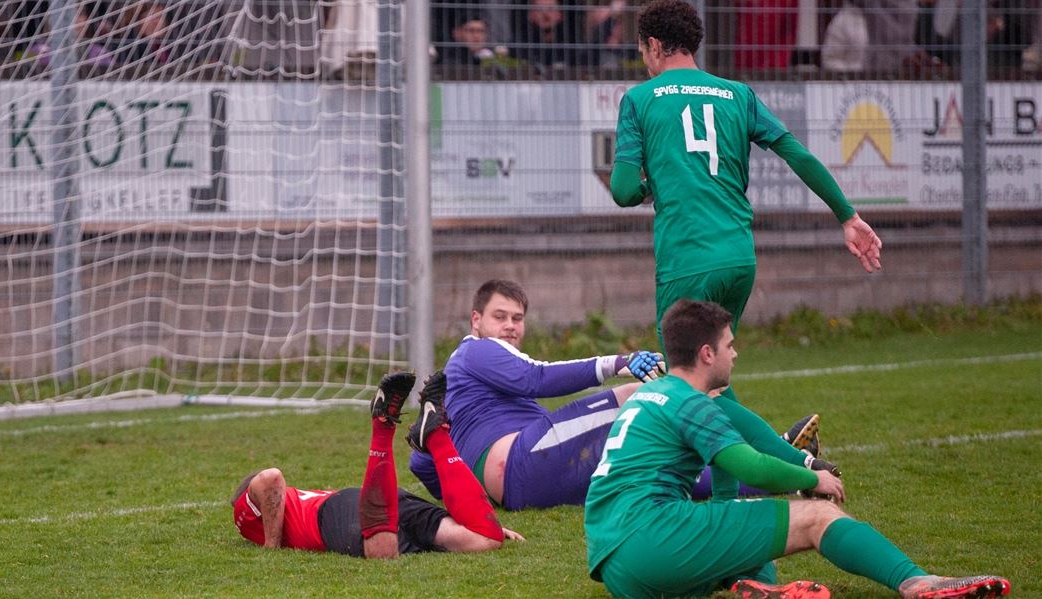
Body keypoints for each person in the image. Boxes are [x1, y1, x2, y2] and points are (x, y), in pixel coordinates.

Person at [611, 0, 882, 500]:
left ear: (654, 45)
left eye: (643, 51)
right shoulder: (737, 93)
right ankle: (728, 498)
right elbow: (794, 151)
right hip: (738, 255)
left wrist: (653, 184)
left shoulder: (640, 99)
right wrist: (847, 216)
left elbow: (624, 190)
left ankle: (802, 466)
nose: (644, 60)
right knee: (712, 381)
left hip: (687, 258)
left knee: (690, 382)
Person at [585, 299, 1012, 599]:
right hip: (653, 539)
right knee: (818, 517)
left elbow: (729, 462)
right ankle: (917, 582)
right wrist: (812, 477)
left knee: (746, 527)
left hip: (616, 563)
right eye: (730, 345)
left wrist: (735, 503)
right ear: (707, 353)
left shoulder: (651, 394)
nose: (736, 353)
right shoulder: (692, 404)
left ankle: (758, 588)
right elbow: (751, 467)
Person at [408, 279, 816, 510]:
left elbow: (420, 461)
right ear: (475, 320)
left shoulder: (462, 387)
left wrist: (473, 494)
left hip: (528, 481)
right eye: (500, 317)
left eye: (518, 318)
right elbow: (536, 378)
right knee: (654, 393)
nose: (511, 326)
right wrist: (617, 361)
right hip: (524, 463)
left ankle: (778, 475)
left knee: (656, 475)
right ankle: (785, 454)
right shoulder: (475, 351)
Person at [231, 370, 523, 557]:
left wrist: (271, 547)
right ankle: (435, 436)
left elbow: (269, 478)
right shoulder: (284, 503)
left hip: (334, 515)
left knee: (382, 553)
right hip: (378, 500)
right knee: (485, 539)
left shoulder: (245, 510)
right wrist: (480, 518)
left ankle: (383, 427)